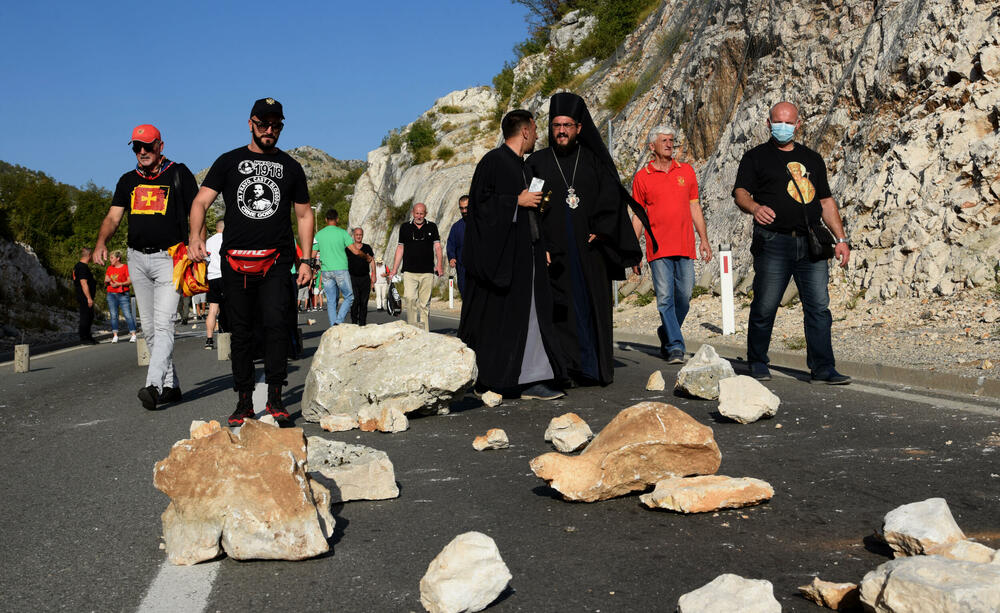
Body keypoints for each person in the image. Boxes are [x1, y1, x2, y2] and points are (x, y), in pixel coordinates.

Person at [187, 97, 315, 426]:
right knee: (240, 333)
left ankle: (274, 397)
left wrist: (306, 260)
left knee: (276, 328)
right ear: (251, 124)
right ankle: (244, 400)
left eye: (276, 125)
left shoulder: (291, 167)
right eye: (263, 124)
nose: (269, 130)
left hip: (275, 262)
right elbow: (201, 201)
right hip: (234, 263)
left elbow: (303, 214)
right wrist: (195, 236)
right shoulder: (229, 161)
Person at [527, 92, 649, 385]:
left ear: (579, 128)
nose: (561, 131)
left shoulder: (594, 161)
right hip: (554, 252)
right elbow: (531, 203)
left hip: (590, 250)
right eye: (556, 125)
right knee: (561, 311)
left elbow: (611, 197)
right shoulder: (539, 163)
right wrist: (537, 241)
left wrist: (605, 229)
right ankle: (564, 370)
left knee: (592, 305)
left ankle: (593, 367)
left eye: (567, 125)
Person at [732, 101, 851, 384]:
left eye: (788, 122)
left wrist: (841, 239)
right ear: (768, 123)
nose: (783, 127)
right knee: (765, 304)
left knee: (819, 307)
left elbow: (825, 201)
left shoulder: (812, 159)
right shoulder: (755, 157)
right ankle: (758, 361)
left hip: (811, 244)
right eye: (777, 121)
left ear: (798, 125)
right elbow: (740, 192)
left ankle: (823, 368)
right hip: (773, 242)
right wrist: (754, 208)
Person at [459, 109, 565, 400]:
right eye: (535, 129)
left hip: (527, 254)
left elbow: (534, 213)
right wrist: (514, 202)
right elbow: (480, 208)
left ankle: (532, 378)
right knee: (500, 320)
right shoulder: (492, 162)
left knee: (533, 314)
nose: (537, 135)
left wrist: (541, 244)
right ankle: (491, 377)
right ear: (527, 129)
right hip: (503, 259)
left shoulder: (526, 168)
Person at [94, 124, 197, 410]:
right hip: (136, 259)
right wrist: (102, 242)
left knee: (164, 325)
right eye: (137, 147)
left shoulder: (179, 173)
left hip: (170, 258)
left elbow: (196, 210)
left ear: (160, 146)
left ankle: (152, 385)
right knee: (150, 329)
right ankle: (171, 386)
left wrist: (196, 240)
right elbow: (113, 217)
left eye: (148, 146)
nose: (142, 152)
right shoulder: (127, 180)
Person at [631, 125, 712, 364]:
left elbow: (695, 207)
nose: (669, 144)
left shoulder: (686, 171)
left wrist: (704, 239)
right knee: (665, 297)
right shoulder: (642, 177)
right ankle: (676, 346)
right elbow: (638, 215)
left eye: (671, 140)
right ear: (651, 147)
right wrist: (633, 249)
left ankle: (666, 332)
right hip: (657, 249)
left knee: (684, 297)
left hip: (685, 245)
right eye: (664, 140)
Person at [388, 202, 443, 332]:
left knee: (424, 304)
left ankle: (424, 332)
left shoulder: (432, 227)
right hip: (409, 271)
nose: (419, 216)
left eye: (421, 213)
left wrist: (439, 265)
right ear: (413, 213)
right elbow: (400, 248)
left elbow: (437, 247)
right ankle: (413, 330)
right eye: (417, 213)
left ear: (426, 214)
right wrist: (394, 269)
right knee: (410, 299)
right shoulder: (405, 227)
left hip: (427, 272)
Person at [314, 209, 366, 326]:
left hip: (326, 271)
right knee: (349, 296)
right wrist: (366, 257)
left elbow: (312, 255)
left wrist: (312, 269)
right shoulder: (343, 233)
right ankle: (338, 321)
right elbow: (355, 251)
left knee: (331, 301)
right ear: (337, 219)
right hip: (341, 270)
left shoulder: (319, 235)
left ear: (326, 220)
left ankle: (333, 326)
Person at [104, 250, 137, 343]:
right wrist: (107, 280)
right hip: (111, 294)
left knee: (127, 314)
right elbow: (106, 279)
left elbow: (130, 281)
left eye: (112, 258)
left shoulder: (125, 267)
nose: (110, 260)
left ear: (118, 258)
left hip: (123, 294)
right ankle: (115, 335)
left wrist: (120, 284)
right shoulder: (109, 268)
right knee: (113, 315)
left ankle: (133, 334)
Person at [204, 219, 226, 350]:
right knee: (229, 306)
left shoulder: (209, 241)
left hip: (212, 277)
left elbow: (206, 259)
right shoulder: (228, 238)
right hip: (225, 276)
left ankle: (209, 339)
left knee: (212, 309)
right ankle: (226, 333)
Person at [347, 227, 376, 325]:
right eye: (357, 235)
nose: (359, 237)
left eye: (360, 235)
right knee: (355, 302)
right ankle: (354, 323)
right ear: (353, 236)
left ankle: (362, 324)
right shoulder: (349, 248)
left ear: (362, 236)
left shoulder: (367, 247)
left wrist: (374, 275)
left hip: (365, 278)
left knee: (364, 303)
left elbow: (372, 261)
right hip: (352, 278)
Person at [73, 247, 98, 345]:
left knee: (90, 316)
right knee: (85, 316)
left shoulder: (78, 266)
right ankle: (84, 337)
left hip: (84, 296)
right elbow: (83, 283)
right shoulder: (82, 267)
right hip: (84, 296)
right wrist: (88, 298)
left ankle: (88, 336)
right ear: (90, 255)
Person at [446, 195, 468, 297]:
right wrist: (452, 257)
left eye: (466, 207)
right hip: (462, 269)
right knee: (465, 296)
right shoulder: (456, 227)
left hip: (479, 270)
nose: (464, 211)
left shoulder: (481, 224)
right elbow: (451, 244)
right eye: (461, 208)